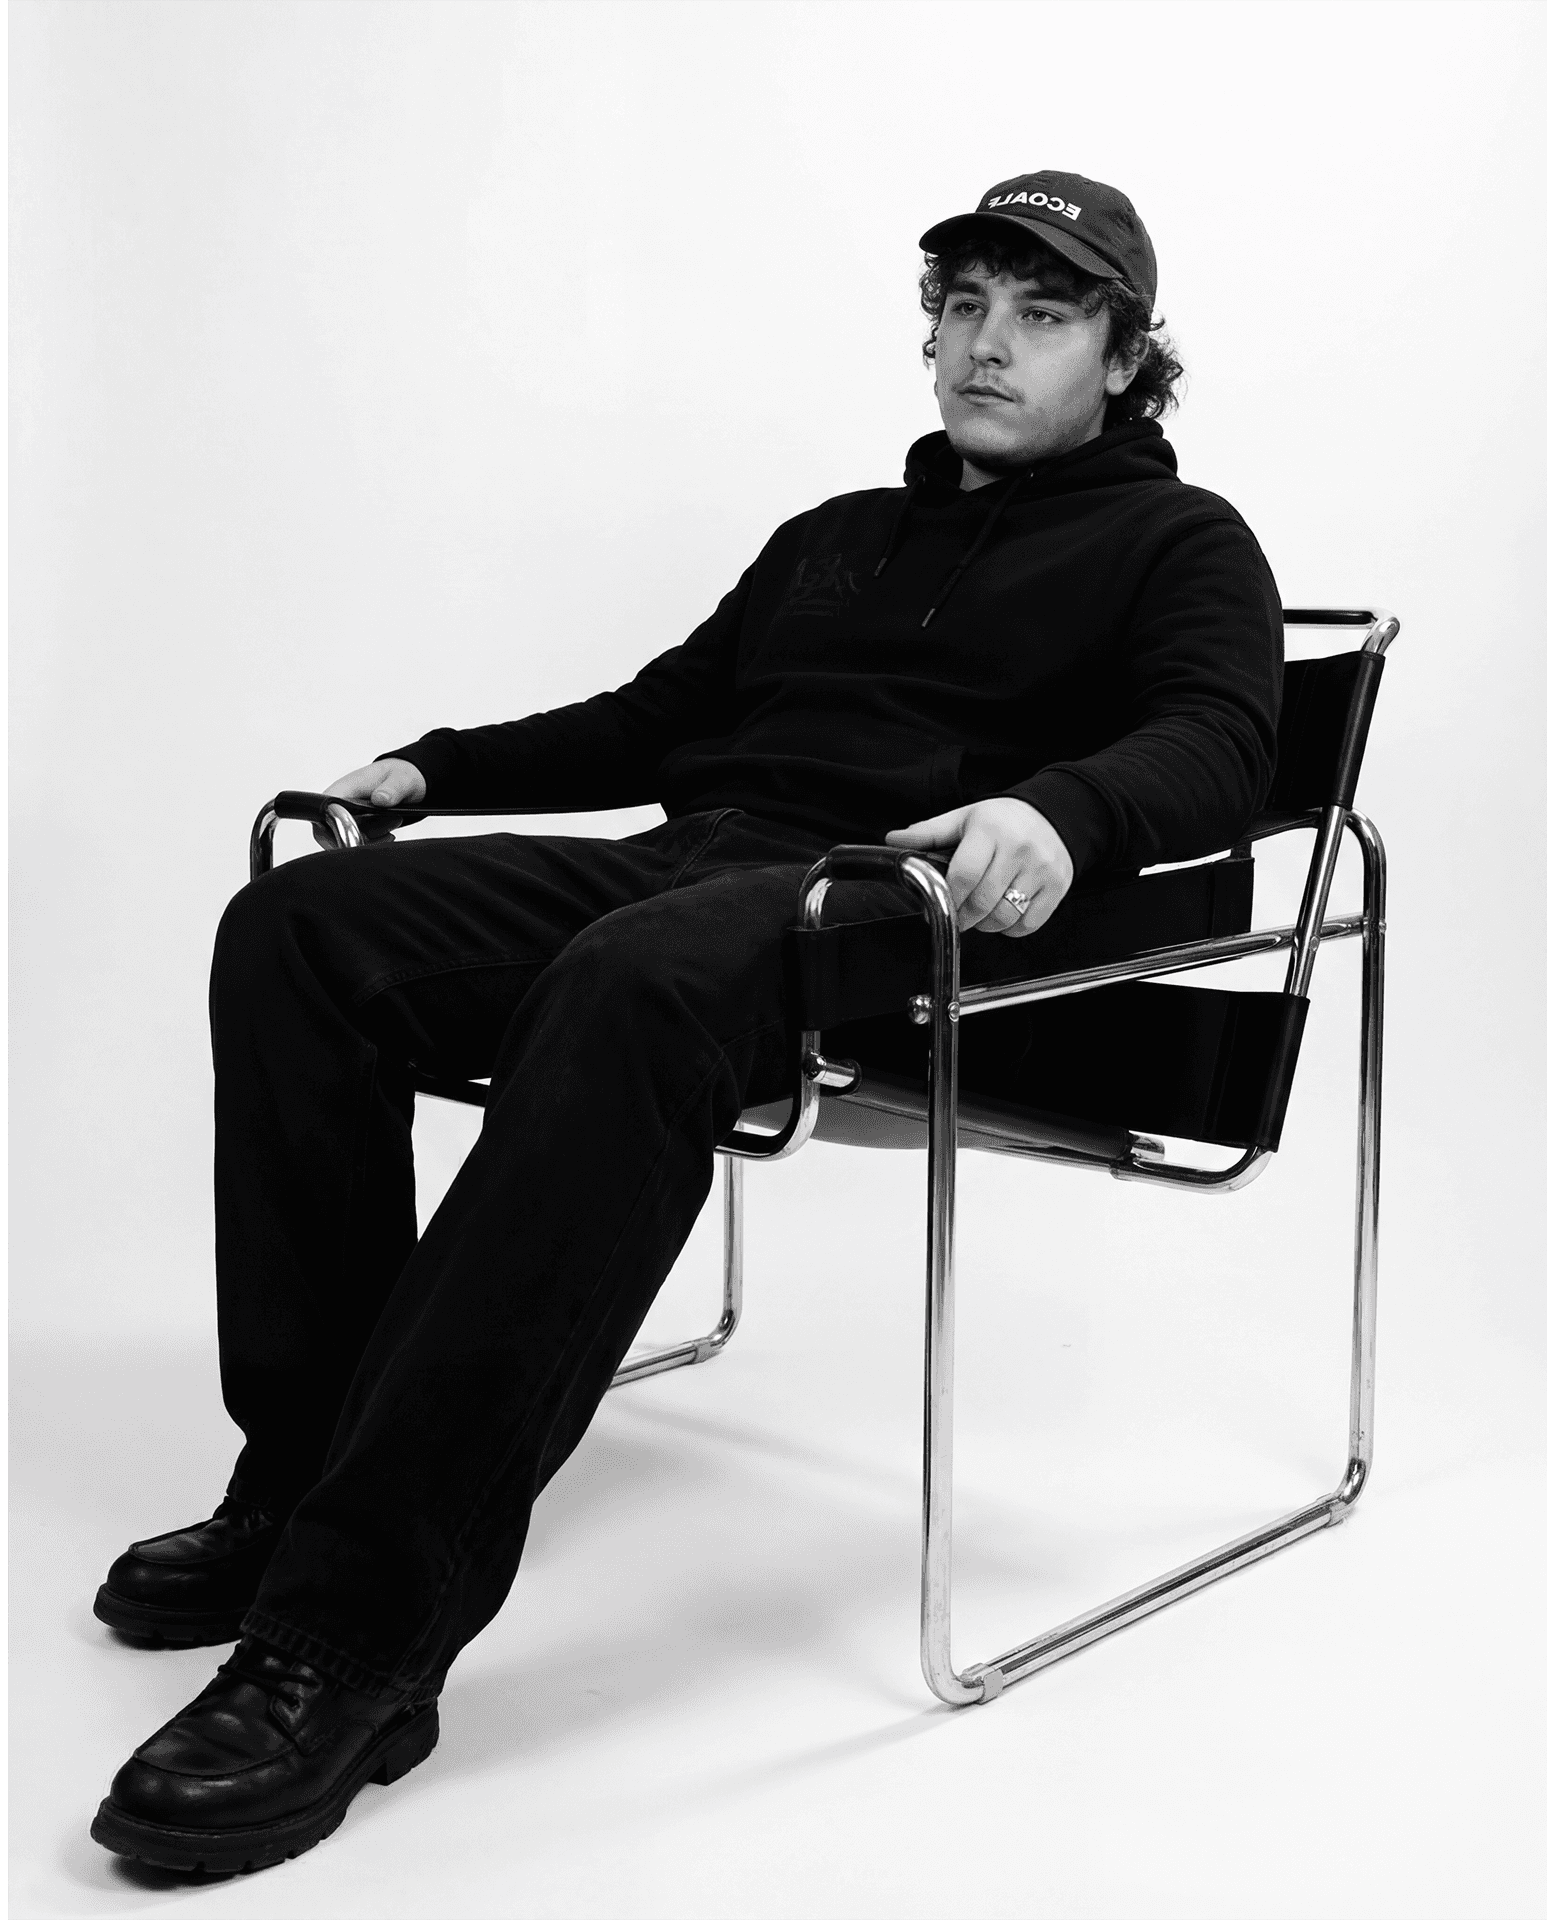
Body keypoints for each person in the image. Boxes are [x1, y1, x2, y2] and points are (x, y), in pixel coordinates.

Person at [89, 170, 1281, 1873]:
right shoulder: (835, 539)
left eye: (1041, 315)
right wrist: (439, 768)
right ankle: (298, 1480)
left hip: (901, 905)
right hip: (694, 867)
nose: (986, 345)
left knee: (637, 981)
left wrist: (1066, 808)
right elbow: (658, 717)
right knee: (302, 926)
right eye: (962, 306)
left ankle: (350, 1641)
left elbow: (1222, 737)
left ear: (1122, 354)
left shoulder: (1180, 541)